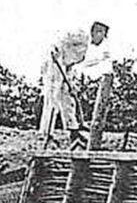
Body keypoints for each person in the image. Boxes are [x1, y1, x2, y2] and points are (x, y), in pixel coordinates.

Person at [39, 21, 110, 149]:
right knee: (53, 98)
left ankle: (74, 131)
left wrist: (70, 81)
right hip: (54, 61)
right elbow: (60, 41)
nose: (102, 39)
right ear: (96, 32)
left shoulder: (85, 47)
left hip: (65, 65)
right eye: (102, 35)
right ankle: (47, 135)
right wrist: (54, 52)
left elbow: (75, 62)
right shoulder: (81, 36)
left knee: (68, 98)